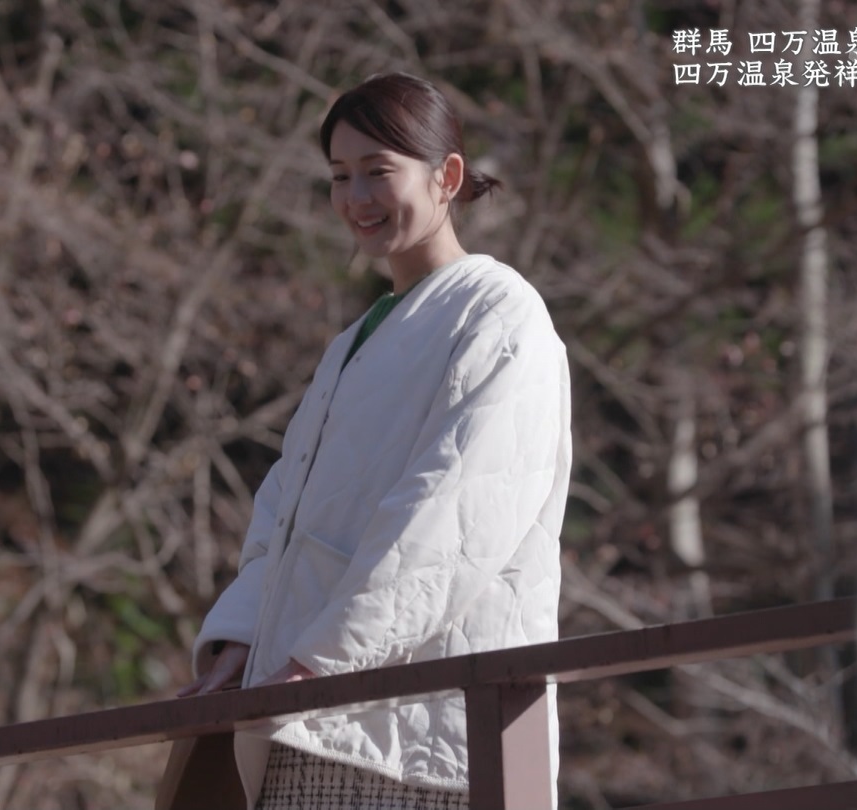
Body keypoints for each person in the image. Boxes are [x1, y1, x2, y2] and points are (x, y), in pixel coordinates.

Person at [176, 72, 572, 810]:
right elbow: (285, 514)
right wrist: (241, 641)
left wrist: (324, 661)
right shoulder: (353, 341)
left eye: (378, 172)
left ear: (446, 176)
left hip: (425, 739)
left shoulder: (499, 313)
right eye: (339, 176)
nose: (356, 197)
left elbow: (454, 518)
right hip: (306, 715)